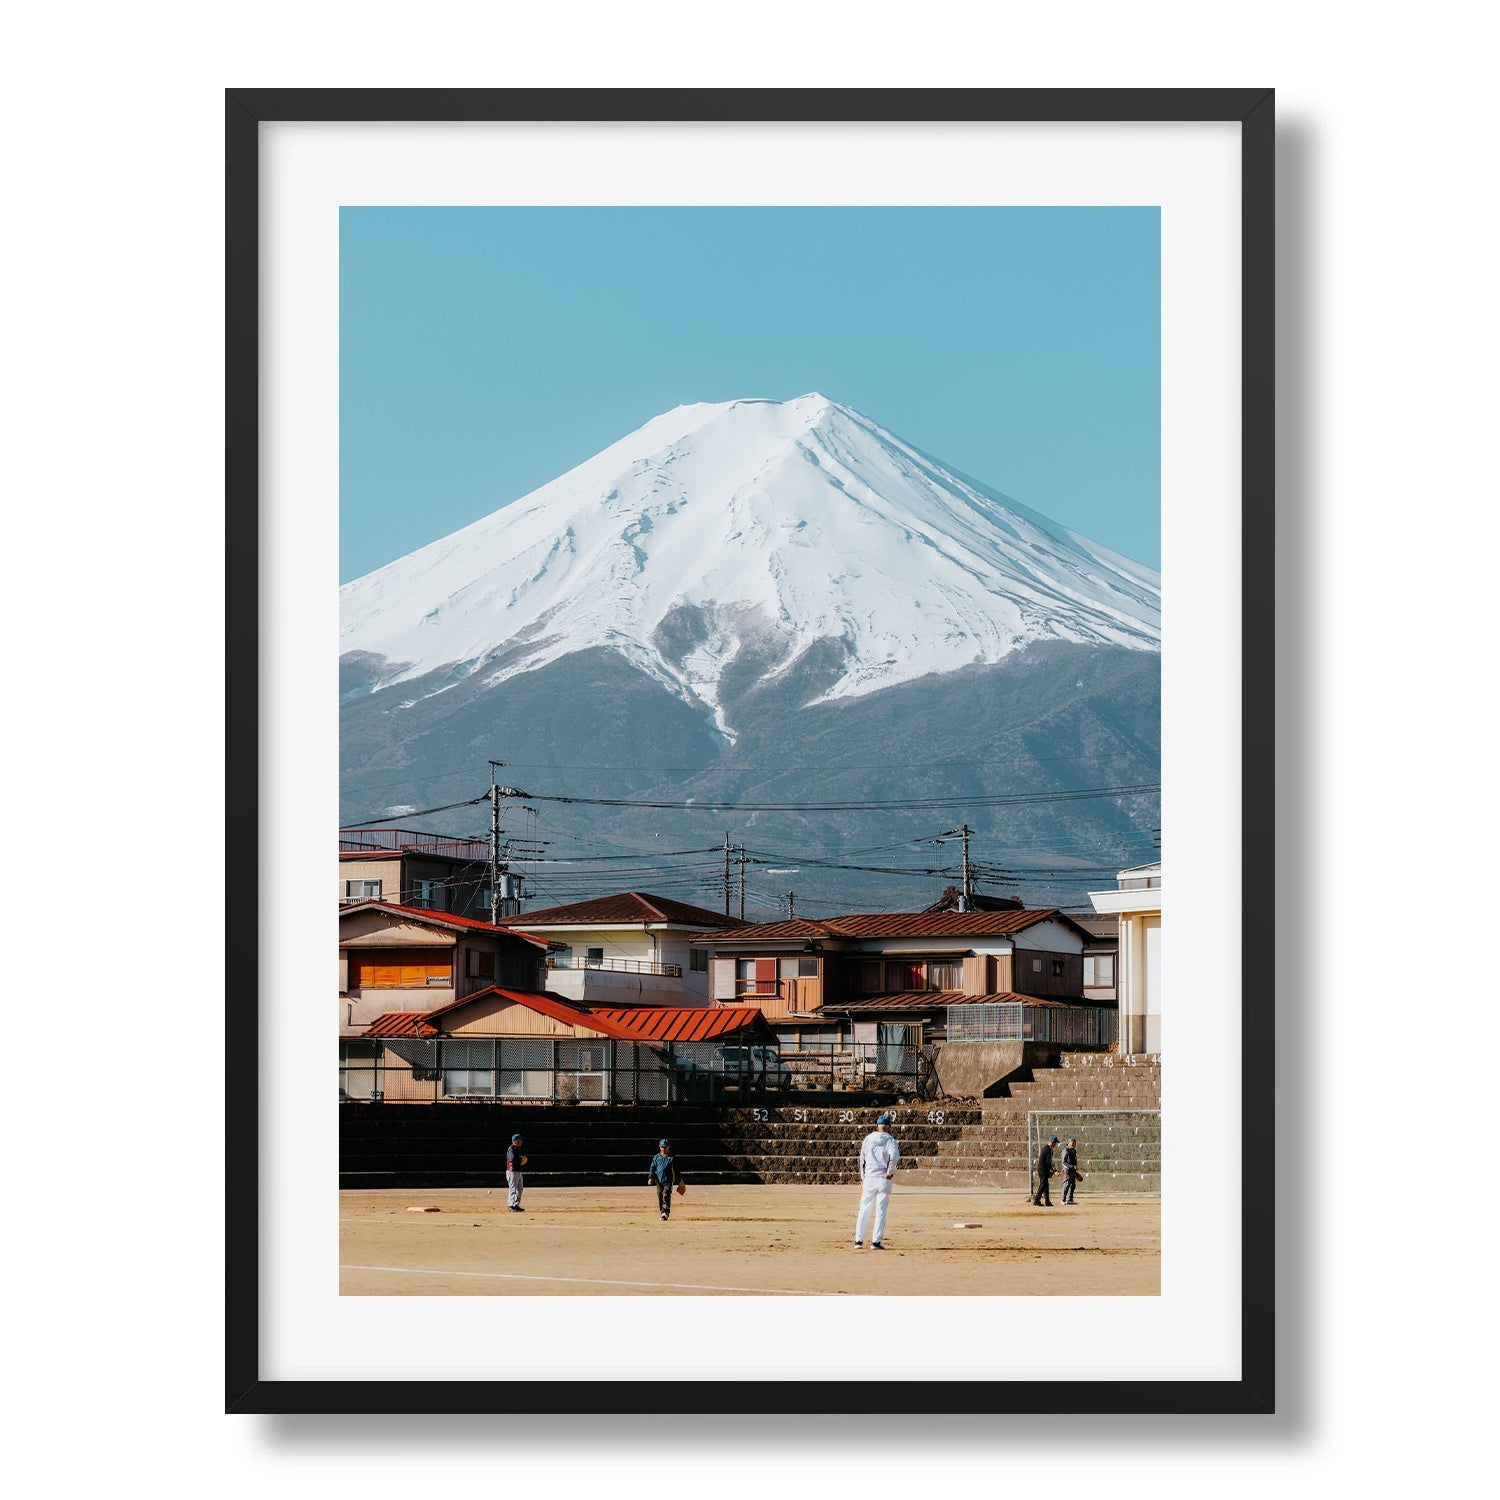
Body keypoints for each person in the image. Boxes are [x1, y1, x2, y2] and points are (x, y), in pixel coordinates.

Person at [853, 1112, 900, 1249]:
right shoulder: (891, 1140)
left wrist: (863, 1177)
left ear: (876, 1126)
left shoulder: (868, 1139)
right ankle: (875, 1241)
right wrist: (889, 1173)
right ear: (889, 1127)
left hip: (869, 1177)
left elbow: (862, 1159)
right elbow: (894, 1158)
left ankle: (858, 1240)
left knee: (864, 1209)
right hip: (882, 1179)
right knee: (881, 1211)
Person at [647, 1138, 683, 1221]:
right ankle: (662, 1212)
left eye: (666, 1147)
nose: (664, 1148)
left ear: (668, 1147)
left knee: (666, 1195)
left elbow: (677, 1170)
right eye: (662, 1147)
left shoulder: (672, 1158)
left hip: (668, 1181)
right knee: (660, 1196)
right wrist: (650, 1177)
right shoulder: (656, 1157)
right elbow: (652, 1168)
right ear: (660, 1147)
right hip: (658, 1181)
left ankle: (665, 1213)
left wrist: (680, 1180)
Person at [1031, 1135, 1059, 1205]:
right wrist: (1054, 1170)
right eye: (1055, 1143)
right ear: (1052, 1142)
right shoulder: (1049, 1150)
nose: (1055, 1144)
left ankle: (1047, 1201)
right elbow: (1049, 1161)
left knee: (1045, 1184)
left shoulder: (1045, 1148)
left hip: (1042, 1169)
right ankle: (1037, 1200)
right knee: (1043, 1184)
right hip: (1043, 1170)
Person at [506, 1132, 527, 1212]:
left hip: (518, 1171)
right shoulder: (511, 1149)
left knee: (520, 1189)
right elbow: (512, 1160)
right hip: (512, 1172)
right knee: (513, 1189)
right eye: (519, 1140)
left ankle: (515, 1205)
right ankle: (510, 1205)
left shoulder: (518, 1149)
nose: (521, 1142)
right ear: (515, 1141)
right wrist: (521, 1159)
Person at [1061, 1138, 1080, 1204]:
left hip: (1073, 1171)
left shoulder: (1074, 1151)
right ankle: (1063, 1200)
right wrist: (1072, 1166)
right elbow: (1064, 1162)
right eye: (1072, 1143)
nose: (1074, 1145)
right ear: (1068, 1143)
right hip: (1067, 1170)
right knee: (1066, 1185)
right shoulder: (1065, 1151)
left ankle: (1069, 1199)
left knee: (1072, 1185)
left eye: (1074, 1143)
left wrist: (1075, 1168)